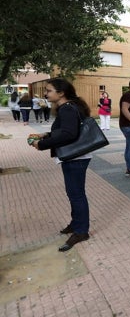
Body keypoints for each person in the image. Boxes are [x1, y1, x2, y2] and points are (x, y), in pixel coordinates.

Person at [30, 78, 93, 252]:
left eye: (49, 90)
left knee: (76, 195)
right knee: (74, 193)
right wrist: (47, 134)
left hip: (75, 158)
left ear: (61, 93)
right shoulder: (71, 106)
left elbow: (69, 134)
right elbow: (69, 130)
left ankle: (81, 231)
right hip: (78, 157)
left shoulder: (67, 109)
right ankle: (76, 224)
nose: (45, 93)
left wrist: (42, 144)